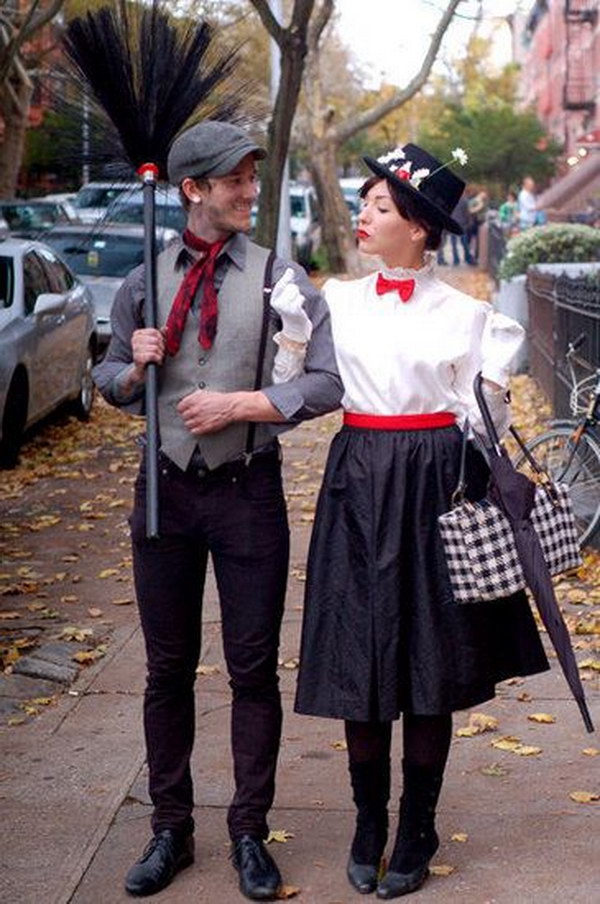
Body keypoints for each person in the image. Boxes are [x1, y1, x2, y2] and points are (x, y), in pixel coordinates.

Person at [93, 119, 343, 901]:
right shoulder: (145, 278)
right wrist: (132, 373)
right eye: (233, 179)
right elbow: (105, 380)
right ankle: (171, 828)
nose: (249, 191)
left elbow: (328, 381)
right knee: (166, 669)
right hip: (163, 493)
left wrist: (250, 401)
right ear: (192, 189)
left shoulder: (283, 279)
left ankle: (248, 831)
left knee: (252, 670)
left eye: (251, 176)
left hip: (247, 494)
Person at [294, 143, 549, 899]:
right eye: (366, 204)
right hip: (359, 479)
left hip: (436, 482)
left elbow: (484, 421)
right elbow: (296, 382)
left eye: (378, 206)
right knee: (361, 654)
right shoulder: (334, 299)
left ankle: (418, 824)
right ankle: (368, 821)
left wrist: (490, 396)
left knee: (429, 660)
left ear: (417, 228)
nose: (363, 216)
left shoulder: (469, 316)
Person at [449, 192, 475, 264]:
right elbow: (467, 213)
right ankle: (467, 258)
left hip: (452, 224)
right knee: (464, 243)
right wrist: (470, 222)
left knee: (454, 244)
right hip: (462, 224)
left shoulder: (451, 200)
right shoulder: (464, 200)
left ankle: (456, 260)